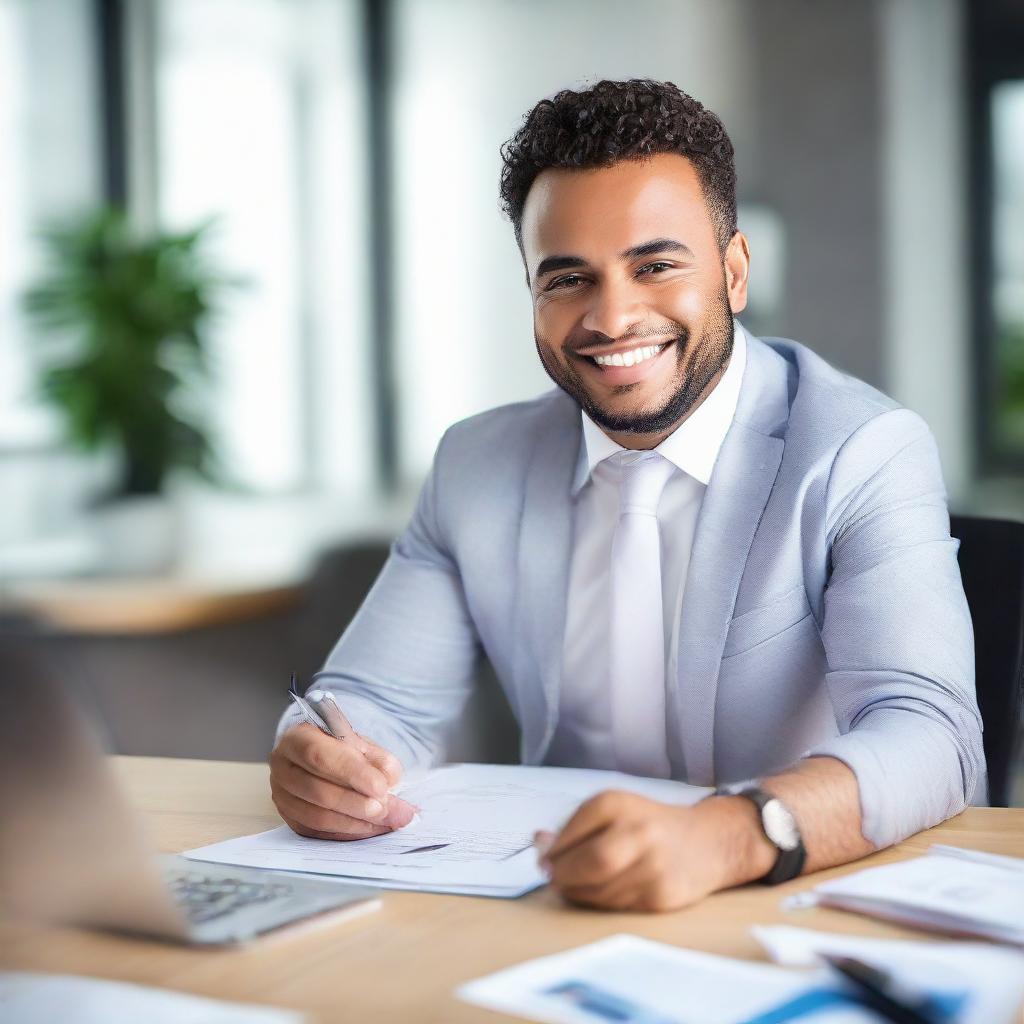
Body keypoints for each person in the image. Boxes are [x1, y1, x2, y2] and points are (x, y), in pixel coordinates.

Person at [269, 79, 985, 912]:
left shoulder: (863, 450)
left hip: (783, 896)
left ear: (735, 271)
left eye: (655, 266)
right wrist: (318, 759)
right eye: (567, 278)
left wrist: (726, 834)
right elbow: (376, 703)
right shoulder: (476, 463)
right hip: (555, 897)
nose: (612, 317)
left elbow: (932, 736)